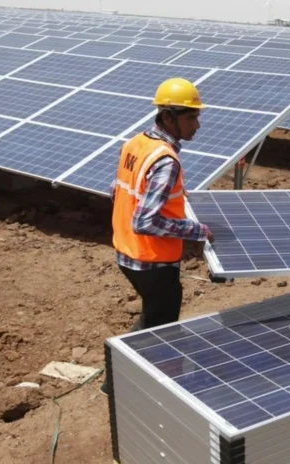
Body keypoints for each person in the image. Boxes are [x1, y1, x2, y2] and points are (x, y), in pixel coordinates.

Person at [101, 78, 214, 395]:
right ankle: (141, 389)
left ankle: (117, 379)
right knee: (159, 332)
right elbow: (145, 220)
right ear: (168, 117)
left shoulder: (135, 144)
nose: (197, 125)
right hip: (153, 261)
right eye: (191, 117)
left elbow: (117, 190)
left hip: (127, 253)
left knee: (152, 318)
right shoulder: (165, 161)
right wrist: (197, 231)